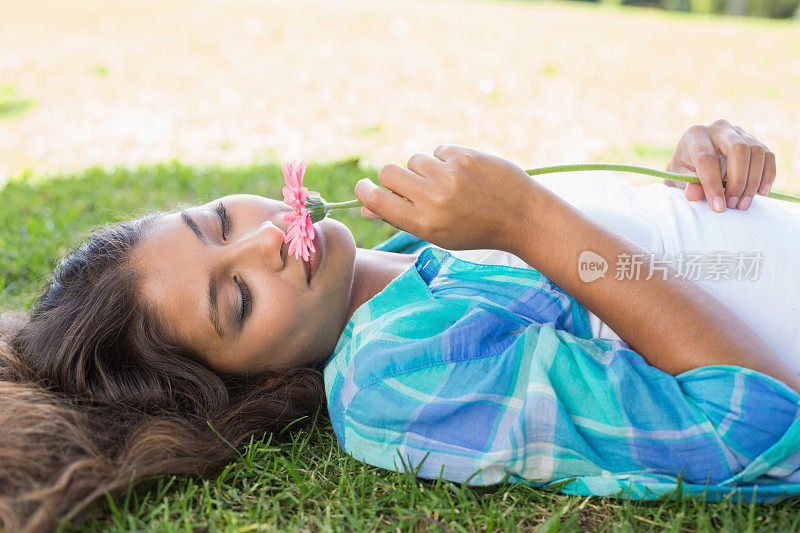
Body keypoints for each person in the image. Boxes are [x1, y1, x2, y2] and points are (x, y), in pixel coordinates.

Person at [0, 118, 797, 531]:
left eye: (217, 219)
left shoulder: (421, 246)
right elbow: (752, 420)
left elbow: (644, 278)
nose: (266, 239)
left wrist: (697, 174)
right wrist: (528, 218)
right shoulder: (397, 375)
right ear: (258, 381)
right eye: (236, 298)